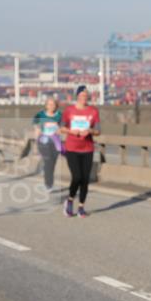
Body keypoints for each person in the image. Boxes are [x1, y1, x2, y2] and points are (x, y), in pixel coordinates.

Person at [60, 86, 100, 217]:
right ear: (77, 96)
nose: (84, 97)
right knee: (77, 176)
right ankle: (70, 200)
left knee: (85, 179)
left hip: (87, 148)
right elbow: (61, 127)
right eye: (81, 95)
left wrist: (90, 131)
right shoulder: (69, 110)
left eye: (86, 95)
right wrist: (71, 131)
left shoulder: (93, 111)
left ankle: (81, 207)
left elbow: (98, 130)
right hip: (72, 148)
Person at [32, 97, 63, 190]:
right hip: (43, 141)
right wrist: (36, 140)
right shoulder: (40, 114)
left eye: (53, 104)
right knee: (48, 161)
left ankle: (46, 172)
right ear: (46, 105)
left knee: (52, 163)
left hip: (55, 142)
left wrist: (59, 129)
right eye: (49, 104)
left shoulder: (60, 115)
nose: (51, 106)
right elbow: (35, 126)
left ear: (56, 106)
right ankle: (48, 184)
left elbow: (64, 127)